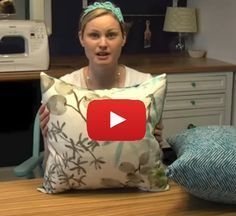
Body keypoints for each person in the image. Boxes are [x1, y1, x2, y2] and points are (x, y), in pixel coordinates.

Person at [39, 1, 164, 153]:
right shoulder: (62, 89)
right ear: (81, 38)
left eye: (111, 35)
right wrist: (48, 137)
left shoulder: (145, 84)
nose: (103, 43)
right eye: (94, 35)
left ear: (123, 38)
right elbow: (49, 165)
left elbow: (153, 159)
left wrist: (154, 141)